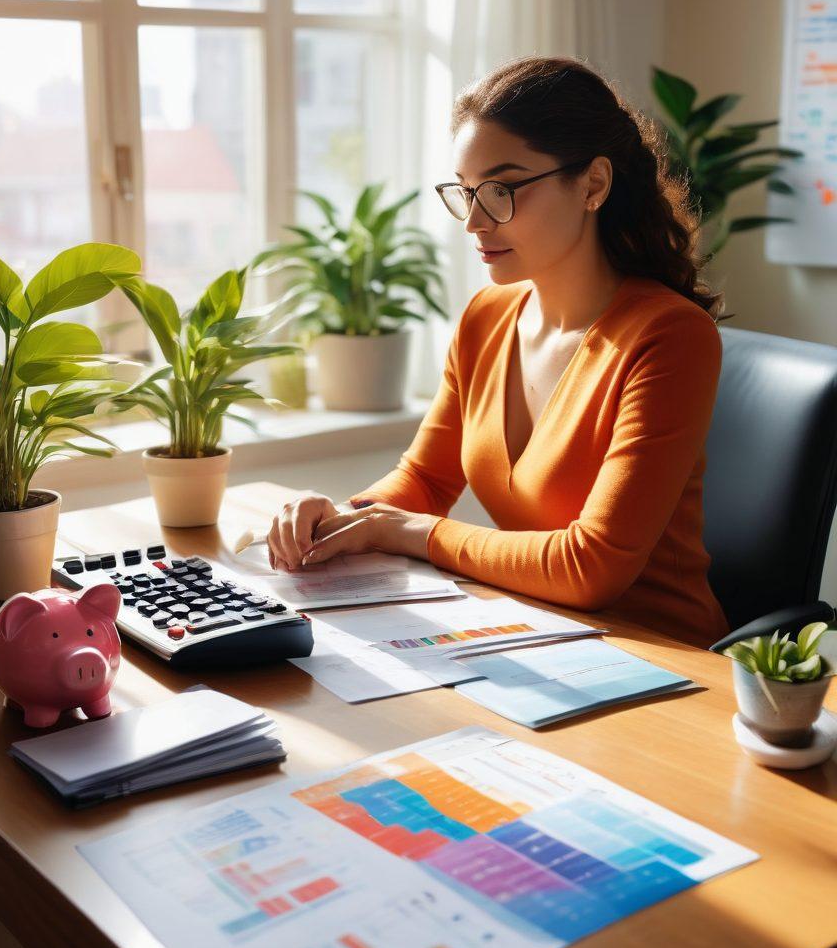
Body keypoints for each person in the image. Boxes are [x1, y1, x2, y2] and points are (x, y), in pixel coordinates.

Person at [267, 56, 729, 649]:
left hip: (663, 659)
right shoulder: (487, 317)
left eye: (503, 189)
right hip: (538, 636)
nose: (475, 221)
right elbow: (425, 480)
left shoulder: (668, 337)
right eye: (466, 193)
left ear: (593, 184)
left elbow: (592, 566)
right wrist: (335, 519)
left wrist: (408, 532)